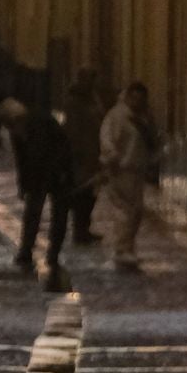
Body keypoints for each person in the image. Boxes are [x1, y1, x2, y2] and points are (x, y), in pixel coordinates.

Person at [0, 94, 74, 288]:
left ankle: (53, 253)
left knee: (59, 215)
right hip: (36, 176)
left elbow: (62, 147)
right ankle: (26, 250)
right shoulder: (18, 131)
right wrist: (23, 184)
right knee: (32, 213)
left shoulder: (42, 121)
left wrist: (62, 171)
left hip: (57, 174)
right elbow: (21, 159)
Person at [97, 79, 159, 270]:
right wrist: (112, 157)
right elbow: (107, 138)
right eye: (135, 98)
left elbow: (152, 140)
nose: (138, 102)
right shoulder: (117, 116)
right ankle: (122, 249)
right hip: (121, 169)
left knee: (136, 211)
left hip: (137, 169)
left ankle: (128, 247)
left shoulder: (144, 117)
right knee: (124, 211)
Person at [62, 68, 105, 242]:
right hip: (81, 155)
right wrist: (75, 152)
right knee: (82, 193)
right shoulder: (74, 102)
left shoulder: (93, 99)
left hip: (93, 153)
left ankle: (84, 227)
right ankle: (79, 230)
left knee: (91, 193)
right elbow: (72, 130)